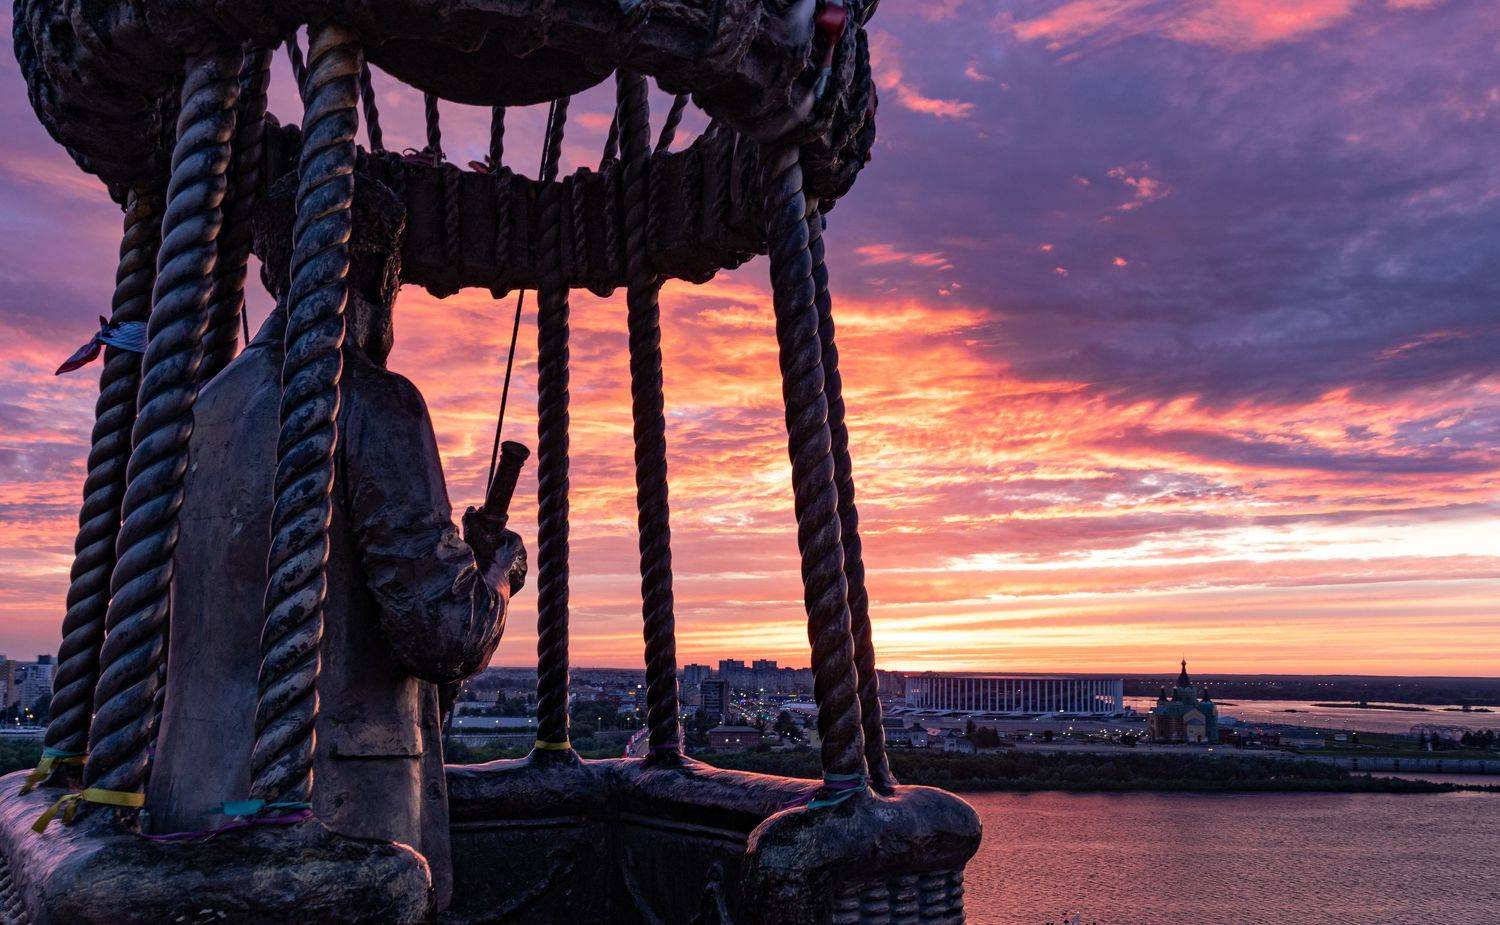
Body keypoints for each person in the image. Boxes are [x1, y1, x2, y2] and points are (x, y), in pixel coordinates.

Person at [146, 171, 525, 912]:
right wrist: (500, 571)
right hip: (335, 815)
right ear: (380, 276)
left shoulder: (204, 408)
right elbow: (443, 632)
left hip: (188, 797)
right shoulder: (375, 403)